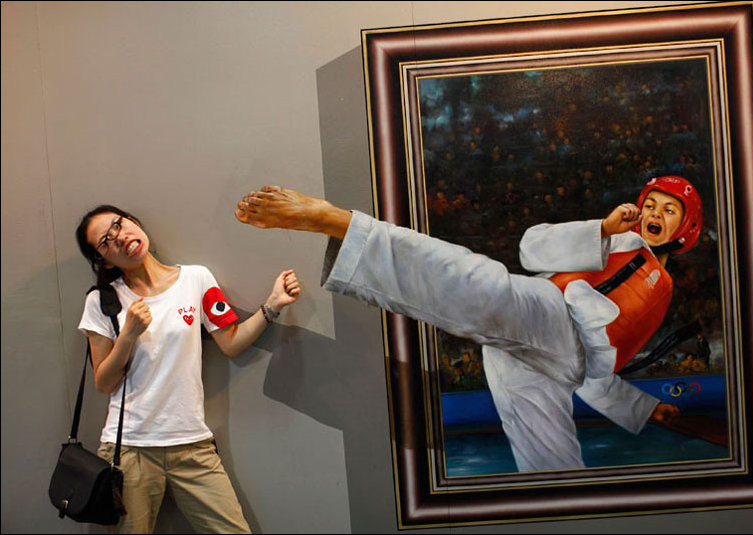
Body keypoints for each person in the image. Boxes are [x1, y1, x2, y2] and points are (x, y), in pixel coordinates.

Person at [234, 176, 701, 472]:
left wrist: (640, 408)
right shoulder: (618, 239)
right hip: (550, 315)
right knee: (483, 285)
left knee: (551, 465)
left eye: (669, 210)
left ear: (685, 228)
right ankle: (342, 224)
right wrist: (601, 229)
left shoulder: (662, 290)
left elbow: (604, 362)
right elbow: (531, 250)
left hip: (565, 363)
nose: (655, 215)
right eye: (652, 204)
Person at [75, 205, 300, 533]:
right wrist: (128, 335)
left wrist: (273, 304)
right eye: (106, 241)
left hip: (192, 445)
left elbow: (230, 343)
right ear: (104, 260)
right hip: (130, 450)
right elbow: (103, 383)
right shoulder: (102, 301)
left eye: (119, 224)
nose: (120, 237)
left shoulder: (196, 279)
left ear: (134, 222)